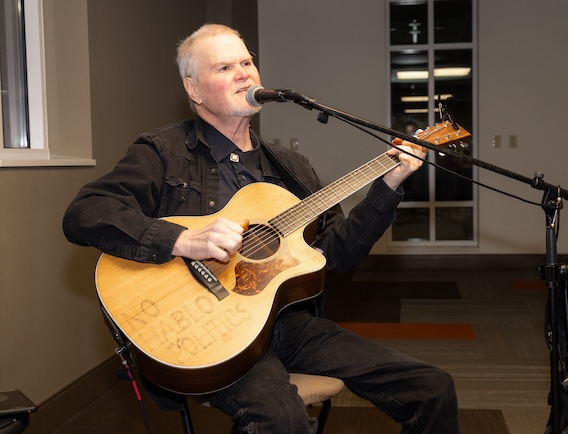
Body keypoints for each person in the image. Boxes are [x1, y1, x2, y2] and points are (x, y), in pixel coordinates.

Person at [62, 23, 459, 434]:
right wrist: (184, 239)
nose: (243, 73)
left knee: (432, 388)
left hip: (288, 325)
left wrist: (389, 184)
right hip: (208, 331)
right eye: (224, 67)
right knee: (282, 420)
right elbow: (86, 212)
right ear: (194, 90)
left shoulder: (292, 167)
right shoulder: (163, 152)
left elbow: (337, 255)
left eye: (247, 62)